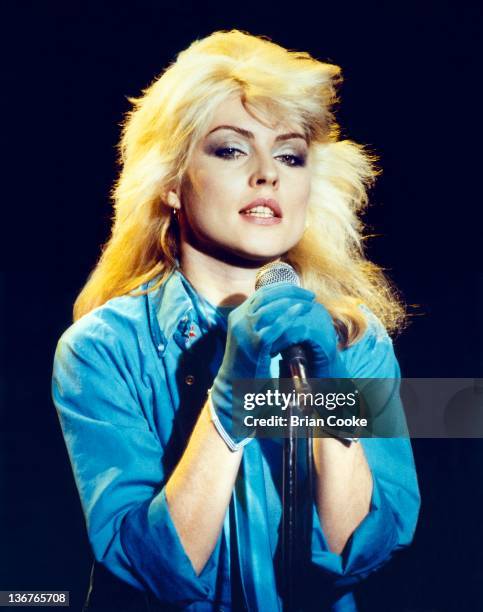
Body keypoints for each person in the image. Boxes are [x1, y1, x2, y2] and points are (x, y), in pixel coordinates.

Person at [51, 30, 420, 611]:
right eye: (230, 148)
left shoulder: (357, 341)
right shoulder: (102, 349)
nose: (268, 174)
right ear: (171, 182)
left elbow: (359, 553)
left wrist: (328, 398)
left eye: (290, 154)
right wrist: (226, 408)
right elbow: (155, 569)